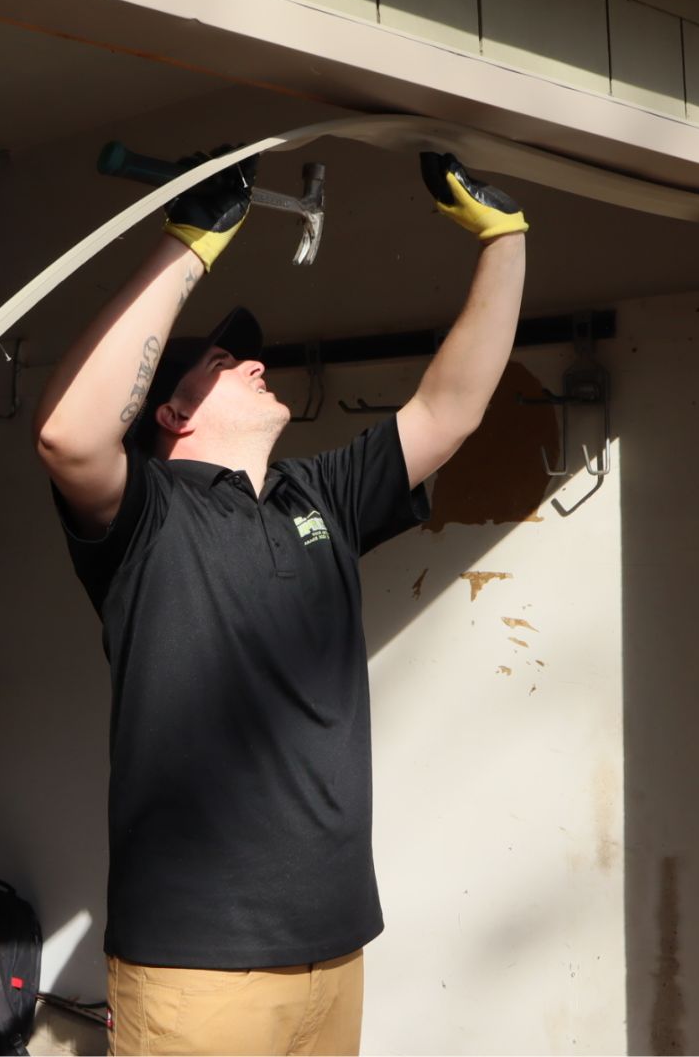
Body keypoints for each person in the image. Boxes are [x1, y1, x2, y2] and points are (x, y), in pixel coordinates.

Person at [34, 146, 527, 1056]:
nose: (257, 364)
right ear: (173, 415)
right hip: (199, 966)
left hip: (336, 946)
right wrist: (187, 245)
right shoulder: (147, 518)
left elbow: (449, 412)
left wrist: (505, 242)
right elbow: (68, 433)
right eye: (226, 361)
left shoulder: (321, 498)